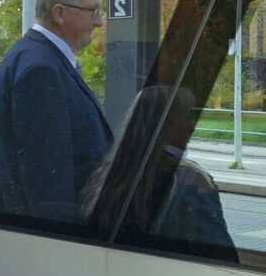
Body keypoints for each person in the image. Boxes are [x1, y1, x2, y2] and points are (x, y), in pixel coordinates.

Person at [0, 0, 113, 223]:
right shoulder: (41, 69)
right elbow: (48, 188)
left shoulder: (38, 58)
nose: (99, 22)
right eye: (92, 11)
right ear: (60, 13)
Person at [83, 86, 238, 262]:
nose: (191, 127)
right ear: (163, 125)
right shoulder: (189, 178)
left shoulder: (109, 174)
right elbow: (220, 254)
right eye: (184, 118)